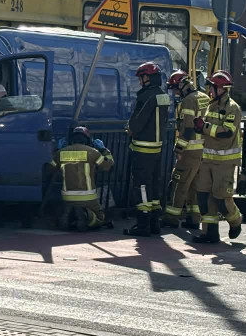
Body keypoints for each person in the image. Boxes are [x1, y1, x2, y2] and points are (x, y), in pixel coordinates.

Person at [192, 70, 243, 244]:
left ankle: (236, 221)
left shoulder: (232, 108)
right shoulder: (210, 106)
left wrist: (204, 127)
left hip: (225, 163)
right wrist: (198, 127)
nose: (210, 91)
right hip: (207, 160)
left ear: (222, 88)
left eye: (212, 87)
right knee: (204, 197)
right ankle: (209, 233)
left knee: (221, 198)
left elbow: (226, 133)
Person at [125, 61, 170, 237]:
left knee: (142, 186)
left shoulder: (146, 96)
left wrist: (130, 129)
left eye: (142, 78)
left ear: (148, 78)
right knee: (154, 185)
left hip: (143, 149)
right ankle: (154, 222)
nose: (140, 82)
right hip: (157, 149)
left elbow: (137, 122)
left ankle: (143, 224)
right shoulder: (162, 95)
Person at [162, 69, 209, 230]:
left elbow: (188, 128)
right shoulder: (204, 97)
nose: (175, 92)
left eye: (175, 88)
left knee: (179, 183)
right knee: (194, 185)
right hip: (203, 150)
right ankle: (194, 218)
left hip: (189, 150)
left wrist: (179, 149)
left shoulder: (188, 100)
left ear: (183, 85)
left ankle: (171, 217)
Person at [49, 125, 114, 231]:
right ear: (87, 140)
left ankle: (69, 216)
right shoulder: (92, 152)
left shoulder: (61, 153)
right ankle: (86, 214)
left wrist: (58, 150)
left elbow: (50, 169)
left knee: (69, 209)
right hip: (88, 198)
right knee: (100, 218)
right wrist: (103, 150)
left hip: (67, 198)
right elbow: (110, 166)